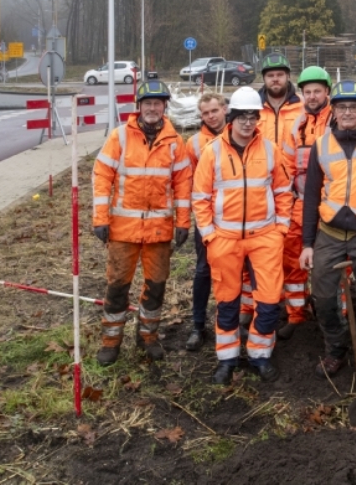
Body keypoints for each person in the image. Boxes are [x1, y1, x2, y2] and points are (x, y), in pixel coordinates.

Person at [192, 86, 293, 384]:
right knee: (227, 301)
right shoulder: (211, 152)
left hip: (265, 238)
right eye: (242, 117)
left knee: (269, 300)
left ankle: (260, 356)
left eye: (253, 117)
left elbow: (284, 192)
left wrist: (281, 229)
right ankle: (227, 359)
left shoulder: (270, 150)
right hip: (225, 240)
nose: (248, 123)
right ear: (231, 117)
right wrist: (210, 236)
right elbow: (200, 198)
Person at [299, 80, 356, 388]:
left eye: (354, 107)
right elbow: (311, 195)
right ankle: (335, 350)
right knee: (323, 297)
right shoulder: (322, 145)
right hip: (329, 232)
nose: (348, 112)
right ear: (334, 111)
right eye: (342, 107)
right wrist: (308, 243)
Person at [92, 80, 192, 365]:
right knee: (117, 286)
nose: (152, 108)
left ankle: (148, 337)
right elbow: (102, 176)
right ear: (138, 107)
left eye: (157, 103)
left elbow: (183, 184)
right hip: (123, 230)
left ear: (164, 107)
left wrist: (183, 223)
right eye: (147, 103)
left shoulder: (175, 143)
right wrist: (100, 218)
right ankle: (111, 342)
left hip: (159, 231)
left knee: (157, 285)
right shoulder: (120, 137)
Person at [278, 66, 334, 340]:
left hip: (331, 207)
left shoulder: (339, 120)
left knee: (333, 266)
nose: (312, 96)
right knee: (292, 262)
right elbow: (287, 167)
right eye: (307, 91)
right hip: (299, 206)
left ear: (327, 92)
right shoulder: (297, 125)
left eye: (317, 91)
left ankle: (338, 320)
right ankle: (297, 315)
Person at [184, 92, 228, 351]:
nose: (211, 116)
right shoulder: (195, 144)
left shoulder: (240, 135)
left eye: (214, 110)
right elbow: (190, 183)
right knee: (203, 271)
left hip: (235, 219)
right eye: (205, 113)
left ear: (224, 109)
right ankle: (198, 324)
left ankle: (236, 321)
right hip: (207, 220)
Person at [257, 53, 303, 144]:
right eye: (270, 75)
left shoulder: (302, 104)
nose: (275, 79)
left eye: (280, 75)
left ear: (288, 76)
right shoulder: (253, 106)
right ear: (263, 78)